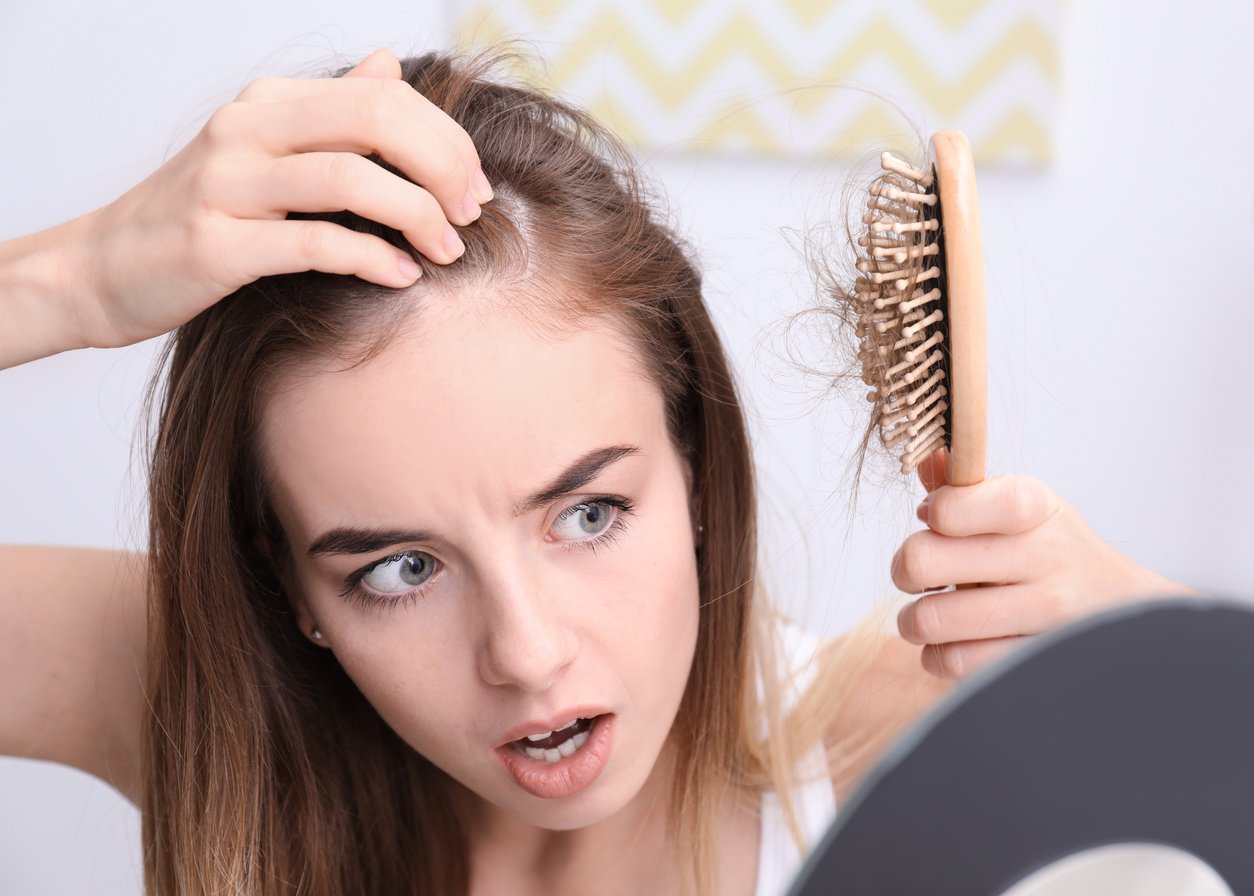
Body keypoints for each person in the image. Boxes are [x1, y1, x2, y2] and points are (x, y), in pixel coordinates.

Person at [0, 47, 1191, 895]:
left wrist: (1207, 683)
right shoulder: (218, 700)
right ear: (293, 593)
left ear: (691, 461)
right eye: (399, 567)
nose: (525, 651)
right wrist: (68, 282)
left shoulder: (893, 752)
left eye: (587, 510)